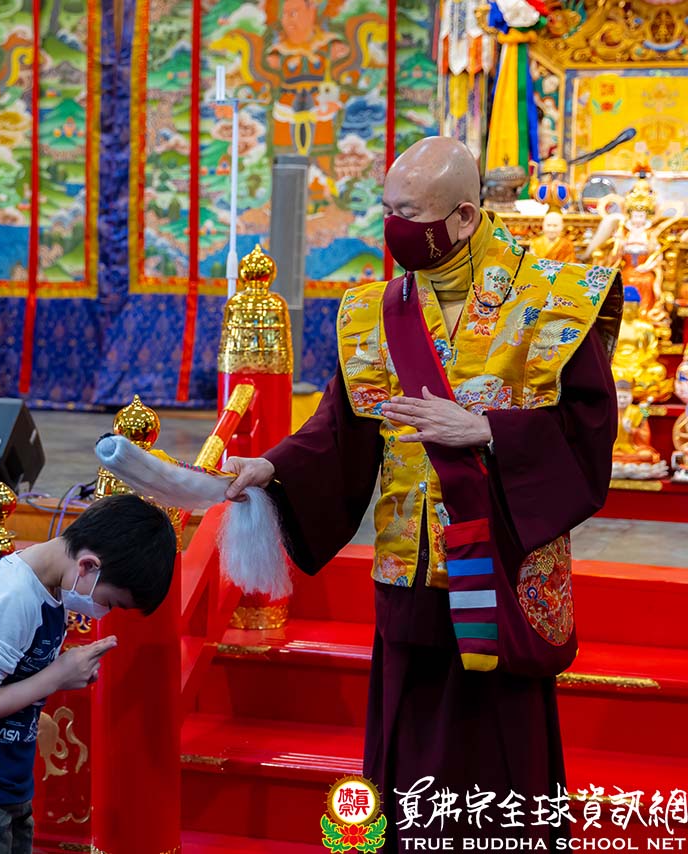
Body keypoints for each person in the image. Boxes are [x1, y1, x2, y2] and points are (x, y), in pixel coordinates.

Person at [225, 137, 621, 850]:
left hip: (502, 566)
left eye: (409, 213)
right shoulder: (374, 311)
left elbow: (589, 431)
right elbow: (342, 427)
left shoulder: (556, 299)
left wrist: (488, 430)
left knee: (502, 749)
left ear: (464, 216)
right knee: (408, 746)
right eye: (386, 209)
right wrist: (272, 468)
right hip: (411, 568)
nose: (393, 227)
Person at [0, 494, 177, 853]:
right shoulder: (13, 598)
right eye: (110, 602)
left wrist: (65, 672)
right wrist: (57, 676)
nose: (104, 612)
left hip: (2, 780)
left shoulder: (51, 586)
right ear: (87, 565)